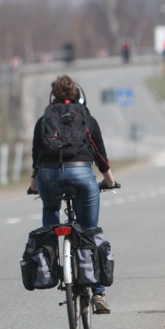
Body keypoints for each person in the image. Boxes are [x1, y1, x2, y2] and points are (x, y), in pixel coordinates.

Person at [29, 75, 117, 314]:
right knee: (89, 233)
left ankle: (52, 258)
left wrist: (34, 183)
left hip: (48, 176)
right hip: (81, 174)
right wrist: (110, 181)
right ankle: (98, 292)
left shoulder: (44, 121)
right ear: (79, 96)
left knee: (49, 210)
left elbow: (37, 155)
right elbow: (99, 154)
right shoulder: (87, 118)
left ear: (53, 97)